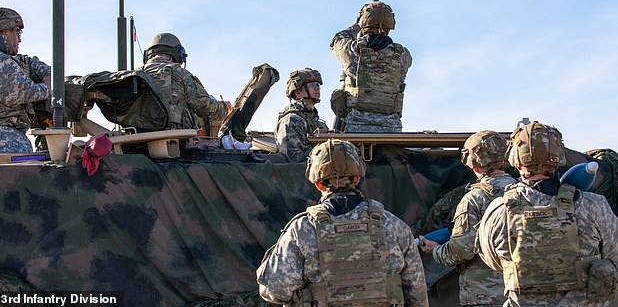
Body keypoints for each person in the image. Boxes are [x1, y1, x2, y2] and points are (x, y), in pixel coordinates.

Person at [257, 139, 429, 306]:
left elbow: (276, 290)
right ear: (356, 179)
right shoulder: (395, 226)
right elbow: (417, 294)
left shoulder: (302, 230)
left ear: (318, 184)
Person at [477, 121, 618, 306]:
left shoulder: (498, 210)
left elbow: (491, 260)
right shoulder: (594, 206)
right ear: (559, 159)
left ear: (516, 162)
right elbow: (613, 254)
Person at [419, 130, 517, 307]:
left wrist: (434, 250)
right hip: (520, 293)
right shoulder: (526, 192)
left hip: (486, 294)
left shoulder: (474, 199)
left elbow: (460, 251)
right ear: (505, 159)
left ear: (474, 165)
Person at [330, 0, 412, 133]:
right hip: (392, 128)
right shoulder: (403, 55)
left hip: (356, 127)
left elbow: (336, 40)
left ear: (363, 22)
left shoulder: (352, 52)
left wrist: (357, 24)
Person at [0, 7, 51, 153]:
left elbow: (39, 67)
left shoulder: (12, 60)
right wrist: (48, 88)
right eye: (17, 31)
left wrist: (49, 75)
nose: (20, 38)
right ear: (5, 32)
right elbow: (23, 92)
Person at [141, 33, 231, 130]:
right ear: (177, 54)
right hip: (175, 137)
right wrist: (226, 107)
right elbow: (203, 106)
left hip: (136, 138)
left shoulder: (137, 75)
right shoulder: (180, 73)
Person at [274, 68, 328, 162]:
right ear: (298, 92)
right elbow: (293, 159)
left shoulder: (319, 124)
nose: (317, 88)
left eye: (318, 84)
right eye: (312, 85)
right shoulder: (292, 120)